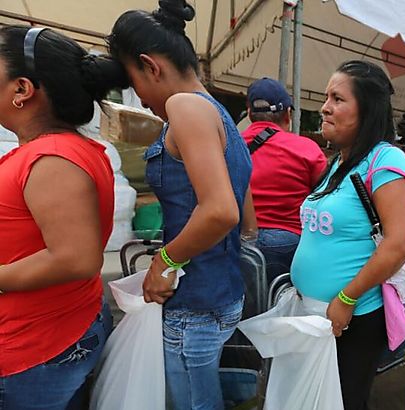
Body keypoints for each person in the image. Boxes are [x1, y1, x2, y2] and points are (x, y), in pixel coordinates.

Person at [108, 1, 253, 408]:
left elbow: (222, 209)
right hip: (221, 290)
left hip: (195, 304)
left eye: (134, 81)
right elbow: (243, 206)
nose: (138, 95)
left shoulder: (184, 107)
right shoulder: (221, 114)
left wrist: (165, 262)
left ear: (150, 66)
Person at [0, 26, 126, 408]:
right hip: (51, 333)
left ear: (22, 89)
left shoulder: (52, 158)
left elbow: (75, 256)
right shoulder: (56, 151)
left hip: (35, 348)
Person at [290, 60, 405, 409]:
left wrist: (347, 298)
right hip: (317, 311)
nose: (325, 107)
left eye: (337, 98)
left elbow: (401, 242)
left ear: (367, 110)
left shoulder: (386, 159)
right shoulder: (339, 162)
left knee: (344, 400)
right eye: (326, 97)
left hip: (353, 319)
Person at [241, 77, 327, 283]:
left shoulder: (230, 146)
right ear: (288, 114)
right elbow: (326, 196)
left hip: (237, 243)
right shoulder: (306, 148)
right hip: (286, 244)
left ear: (250, 113)